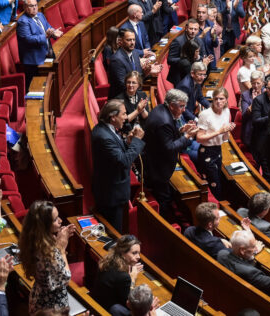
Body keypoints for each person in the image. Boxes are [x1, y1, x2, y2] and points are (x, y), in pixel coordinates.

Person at [91, 99, 145, 231]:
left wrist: (128, 141)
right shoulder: (103, 136)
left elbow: (116, 152)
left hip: (112, 189)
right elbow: (123, 162)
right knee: (113, 231)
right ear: (113, 116)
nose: (126, 118)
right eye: (124, 114)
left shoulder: (106, 128)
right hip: (111, 194)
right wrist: (137, 141)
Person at [143, 89, 198, 217]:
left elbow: (165, 137)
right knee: (164, 198)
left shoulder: (160, 109)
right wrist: (187, 136)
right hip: (158, 167)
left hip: (154, 160)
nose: (184, 110)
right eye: (181, 106)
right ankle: (164, 224)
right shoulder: (164, 121)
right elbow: (170, 148)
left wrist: (180, 131)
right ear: (172, 105)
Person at [217, 229, 270, 310]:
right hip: (256, 306)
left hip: (228, 294)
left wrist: (253, 252)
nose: (255, 248)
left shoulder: (221, 254)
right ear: (242, 250)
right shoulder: (250, 272)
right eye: (253, 247)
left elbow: (240, 263)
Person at [19, 200, 77, 313]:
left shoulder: (33, 239)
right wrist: (61, 249)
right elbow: (65, 278)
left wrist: (58, 243)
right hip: (51, 307)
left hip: (38, 297)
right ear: (44, 225)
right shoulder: (47, 251)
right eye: (55, 219)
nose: (60, 221)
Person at [196, 88, 236, 198]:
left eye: (221, 99)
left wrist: (227, 130)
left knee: (219, 179)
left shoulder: (226, 112)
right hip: (206, 152)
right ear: (212, 100)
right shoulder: (205, 114)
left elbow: (224, 138)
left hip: (218, 150)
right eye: (216, 99)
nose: (218, 101)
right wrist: (219, 131)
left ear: (226, 100)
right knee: (213, 184)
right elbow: (199, 138)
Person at [17, 0, 62, 87]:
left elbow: (48, 27)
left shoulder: (40, 15)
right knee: (35, 87)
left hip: (47, 52)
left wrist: (53, 32)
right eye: (31, 6)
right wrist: (45, 36)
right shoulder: (23, 22)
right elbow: (28, 39)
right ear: (25, 7)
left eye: (36, 5)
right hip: (34, 60)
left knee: (52, 82)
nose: (34, 8)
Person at [91, 235, 144, 312]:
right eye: (134, 253)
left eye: (138, 253)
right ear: (123, 253)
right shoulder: (123, 276)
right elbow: (129, 303)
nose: (138, 257)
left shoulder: (108, 260)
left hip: (98, 300)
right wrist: (132, 278)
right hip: (107, 310)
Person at [250, 75, 270, 173]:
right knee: (267, 172)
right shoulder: (259, 100)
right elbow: (255, 121)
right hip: (263, 141)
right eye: (269, 88)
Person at [240, 71, 264, 149]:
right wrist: (254, 102)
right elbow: (244, 116)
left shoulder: (267, 93)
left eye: (258, 83)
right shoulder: (246, 95)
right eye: (253, 83)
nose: (255, 86)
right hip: (251, 130)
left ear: (263, 83)